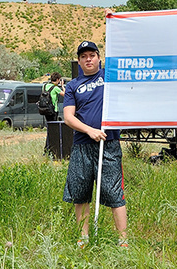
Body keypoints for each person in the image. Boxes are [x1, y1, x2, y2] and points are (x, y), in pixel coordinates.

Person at [62, 40, 128, 249]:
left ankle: (123, 241)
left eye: (92, 55)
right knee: (80, 194)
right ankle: (83, 239)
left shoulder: (109, 77)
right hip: (82, 145)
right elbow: (68, 118)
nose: (88, 59)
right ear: (79, 61)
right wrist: (89, 131)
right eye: (83, 56)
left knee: (114, 192)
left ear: (99, 58)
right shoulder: (73, 86)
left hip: (109, 144)